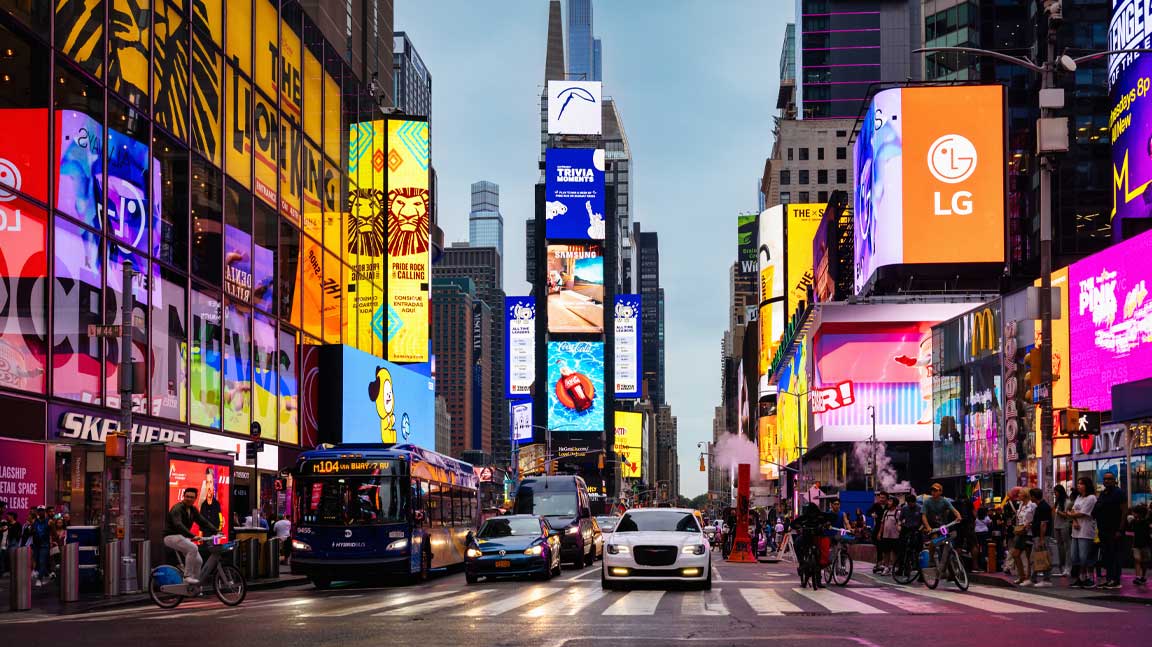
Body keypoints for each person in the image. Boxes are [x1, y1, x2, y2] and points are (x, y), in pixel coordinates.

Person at [164, 488, 219, 584]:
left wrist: (217, 531)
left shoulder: (193, 510)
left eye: (191, 497)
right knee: (193, 548)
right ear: (183, 496)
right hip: (171, 536)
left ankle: (194, 585)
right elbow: (178, 525)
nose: (189, 499)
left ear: (195, 499)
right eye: (187, 497)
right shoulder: (177, 508)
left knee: (198, 561)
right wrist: (192, 535)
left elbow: (203, 522)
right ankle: (187, 576)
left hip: (183, 537)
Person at [1093, 472, 1128, 590]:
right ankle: (1109, 579)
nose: (1107, 481)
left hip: (1115, 530)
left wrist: (1120, 529)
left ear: (1114, 480)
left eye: (1109, 479)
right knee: (1107, 556)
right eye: (1105, 479)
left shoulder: (1119, 493)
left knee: (1115, 555)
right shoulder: (1103, 494)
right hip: (1103, 529)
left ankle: (1116, 579)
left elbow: (1124, 512)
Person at [1068, 476, 1098, 588]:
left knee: (1084, 557)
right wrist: (1074, 519)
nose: (1079, 486)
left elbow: (1083, 513)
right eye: (1078, 483)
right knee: (1074, 556)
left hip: (1086, 531)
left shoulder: (1091, 498)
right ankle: (1080, 578)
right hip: (1076, 531)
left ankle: (1087, 578)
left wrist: (1071, 515)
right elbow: (1073, 510)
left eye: (1081, 484)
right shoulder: (1079, 497)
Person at [1010, 489, 1037, 586]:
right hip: (1020, 532)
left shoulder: (1032, 505)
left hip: (1028, 533)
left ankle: (1028, 577)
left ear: (1025, 495)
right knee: (1015, 554)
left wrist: (1030, 524)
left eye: (1020, 493)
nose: (1018, 495)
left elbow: (1036, 517)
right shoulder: (1020, 505)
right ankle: (1022, 576)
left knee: (1028, 555)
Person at [1028, 488, 1053, 587]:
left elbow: (1044, 524)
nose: (1030, 498)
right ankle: (1033, 578)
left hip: (1041, 537)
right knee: (1035, 557)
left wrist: (1042, 539)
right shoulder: (1040, 506)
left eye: (1031, 496)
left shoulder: (1044, 507)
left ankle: (1047, 580)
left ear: (1034, 496)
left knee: (1044, 556)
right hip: (1038, 536)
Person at [877, 495, 902, 575]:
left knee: (895, 553)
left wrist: (899, 529)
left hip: (895, 536)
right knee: (886, 552)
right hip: (886, 536)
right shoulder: (886, 512)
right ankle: (886, 567)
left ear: (894, 503)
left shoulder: (898, 513)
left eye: (890, 501)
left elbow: (899, 523)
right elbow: (882, 523)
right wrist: (880, 533)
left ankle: (894, 567)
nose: (888, 502)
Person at [1052, 484, 1072, 577]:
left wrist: (1057, 511)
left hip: (1064, 525)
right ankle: (1062, 566)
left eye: (1055, 492)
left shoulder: (1067, 502)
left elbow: (1067, 515)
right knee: (1060, 547)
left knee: (1067, 546)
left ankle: (1068, 567)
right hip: (1057, 525)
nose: (1055, 494)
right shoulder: (1058, 502)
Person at [28, 506, 51, 586]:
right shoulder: (35, 522)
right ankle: (48, 575)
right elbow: (31, 532)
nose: (41, 512)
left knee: (42, 561)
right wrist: (31, 527)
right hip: (36, 545)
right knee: (37, 562)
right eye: (39, 511)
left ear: (44, 511)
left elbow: (54, 533)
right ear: (38, 512)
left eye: (42, 510)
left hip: (45, 545)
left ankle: (39, 579)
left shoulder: (49, 521)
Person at [1131, 505, 1149, 586]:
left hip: (1145, 545)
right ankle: (1138, 577)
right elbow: (1133, 533)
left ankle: (1143, 576)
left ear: (1140, 513)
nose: (1133, 514)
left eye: (1135, 512)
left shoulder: (1147, 522)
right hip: (1137, 544)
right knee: (1137, 560)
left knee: (1144, 562)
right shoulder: (1134, 522)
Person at [973, 507, 991, 572]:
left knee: (978, 546)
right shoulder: (986, 517)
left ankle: (978, 560)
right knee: (984, 546)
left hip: (977, 532)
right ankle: (983, 560)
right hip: (984, 532)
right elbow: (989, 523)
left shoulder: (976, 517)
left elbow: (974, 524)